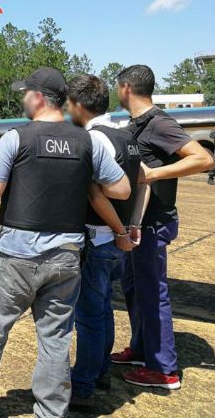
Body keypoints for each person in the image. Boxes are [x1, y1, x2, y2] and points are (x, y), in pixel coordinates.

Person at [0, 67, 131, 418]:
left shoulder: (15, 138)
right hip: (66, 257)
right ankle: (51, 409)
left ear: (37, 97)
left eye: (25, 93)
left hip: (15, 256)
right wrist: (87, 178)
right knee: (55, 339)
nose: (23, 99)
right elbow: (122, 189)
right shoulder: (88, 142)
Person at [111, 65, 214, 389]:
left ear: (126, 88)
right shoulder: (139, 125)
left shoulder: (159, 123)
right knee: (133, 288)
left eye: (118, 88)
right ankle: (142, 349)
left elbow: (203, 159)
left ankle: (164, 369)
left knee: (153, 294)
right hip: (136, 224)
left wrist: (153, 175)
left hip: (152, 225)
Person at [65, 74, 150, 410]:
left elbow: (95, 194)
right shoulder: (125, 135)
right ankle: (100, 373)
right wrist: (133, 225)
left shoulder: (94, 140)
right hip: (117, 243)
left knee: (88, 316)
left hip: (100, 241)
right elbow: (145, 180)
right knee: (102, 311)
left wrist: (119, 229)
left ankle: (82, 386)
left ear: (77, 105)